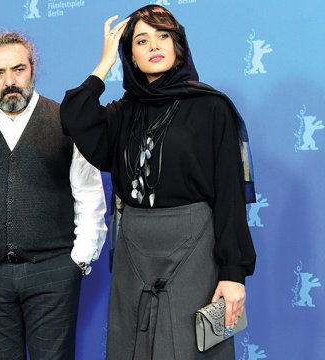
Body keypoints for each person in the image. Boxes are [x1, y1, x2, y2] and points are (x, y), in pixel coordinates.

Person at [60, 5, 256, 359]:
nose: (154, 45)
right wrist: (105, 62)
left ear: (178, 44)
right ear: (130, 56)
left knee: (190, 348)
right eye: (141, 40)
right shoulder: (122, 113)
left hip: (195, 246)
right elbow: (75, 115)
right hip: (135, 247)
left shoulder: (211, 107)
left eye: (163, 36)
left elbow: (229, 194)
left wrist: (233, 273)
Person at [0, 32, 107, 360]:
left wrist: (79, 260)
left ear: (33, 68)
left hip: (54, 271)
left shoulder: (64, 120)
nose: (10, 81)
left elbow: (89, 194)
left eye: (18, 69)